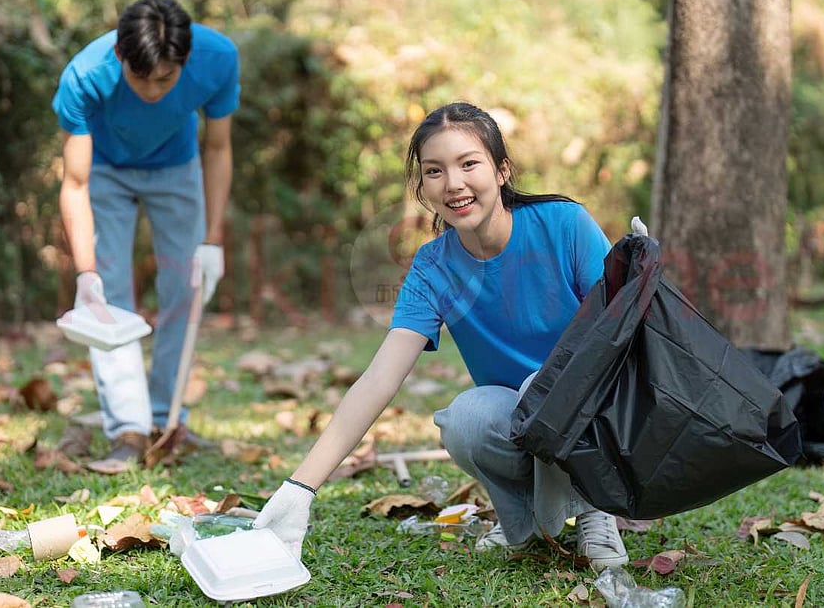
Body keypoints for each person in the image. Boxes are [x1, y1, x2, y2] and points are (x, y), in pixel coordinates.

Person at [253, 102, 628, 570]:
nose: (453, 184)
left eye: (469, 163)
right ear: (423, 187)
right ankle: (525, 521)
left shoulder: (564, 224)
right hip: (520, 418)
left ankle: (595, 510)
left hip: (592, 410)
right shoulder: (433, 268)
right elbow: (379, 380)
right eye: (435, 171)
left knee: (543, 390)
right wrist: (299, 488)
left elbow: (621, 331)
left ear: (502, 170)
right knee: (465, 419)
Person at [52, 0, 239, 473]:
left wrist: (213, 240)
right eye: (142, 79)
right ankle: (127, 431)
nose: (154, 90)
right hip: (106, 173)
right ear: (120, 56)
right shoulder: (85, 74)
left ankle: (166, 418)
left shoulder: (217, 59)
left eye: (166, 79)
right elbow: (74, 183)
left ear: (185, 61)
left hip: (177, 169)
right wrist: (85, 273)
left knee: (185, 286)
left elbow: (217, 149)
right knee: (109, 296)